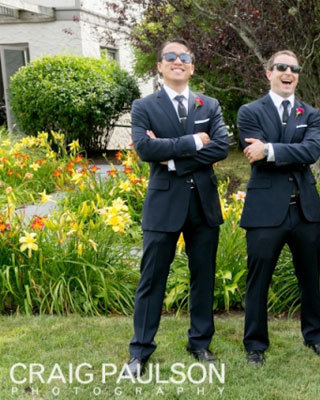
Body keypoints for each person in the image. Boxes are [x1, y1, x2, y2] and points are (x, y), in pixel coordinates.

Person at [125, 38, 229, 376]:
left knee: (203, 277)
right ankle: (140, 351)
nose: (178, 61)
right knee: (152, 279)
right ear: (159, 66)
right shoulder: (144, 106)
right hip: (163, 205)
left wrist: (171, 157)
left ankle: (200, 342)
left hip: (203, 203)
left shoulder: (209, 104)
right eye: (170, 57)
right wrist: (193, 142)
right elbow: (144, 148)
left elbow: (222, 148)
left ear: (192, 66)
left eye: (185, 57)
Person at [238, 50, 320, 366]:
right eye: (281, 67)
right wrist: (273, 151)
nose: (288, 73)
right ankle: (255, 345)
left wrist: (268, 149)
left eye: (294, 69)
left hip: (304, 210)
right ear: (268, 73)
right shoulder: (249, 111)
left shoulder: (311, 113)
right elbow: (252, 152)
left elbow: (311, 151)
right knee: (258, 280)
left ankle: (315, 338)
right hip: (265, 210)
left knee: (310, 277)